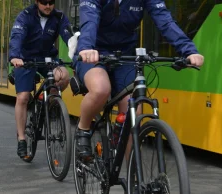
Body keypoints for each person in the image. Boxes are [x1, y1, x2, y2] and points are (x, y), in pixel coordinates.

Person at [73, 0, 204, 161]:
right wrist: (86, 47)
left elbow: (164, 20)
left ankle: (133, 180)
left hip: (124, 55)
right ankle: (83, 129)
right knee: (101, 88)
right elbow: (89, 20)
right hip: (93, 52)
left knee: (133, 108)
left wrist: (188, 50)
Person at [9, 0, 72, 159]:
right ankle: (22, 138)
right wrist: (15, 56)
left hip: (47, 59)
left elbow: (69, 37)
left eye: (51, 2)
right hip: (26, 59)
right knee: (23, 97)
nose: (48, 6)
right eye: (44, 2)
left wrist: (78, 53)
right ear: (37, 2)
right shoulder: (25, 16)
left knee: (64, 76)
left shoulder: (59, 17)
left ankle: (49, 104)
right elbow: (17, 36)